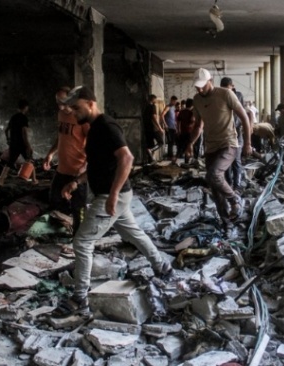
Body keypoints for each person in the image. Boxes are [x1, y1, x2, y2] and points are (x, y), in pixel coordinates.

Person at [52, 86, 172, 318]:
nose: (73, 114)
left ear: (90, 103)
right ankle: (162, 266)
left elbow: (127, 158)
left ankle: (80, 300)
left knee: (82, 242)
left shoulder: (107, 126)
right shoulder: (94, 128)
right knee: (133, 233)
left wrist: (114, 194)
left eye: (76, 108)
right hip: (113, 195)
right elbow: (98, 165)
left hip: (110, 196)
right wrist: (77, 182)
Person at [187, 68, 251, 230]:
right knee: (214, 187)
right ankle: (226, 222)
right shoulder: (197, 100)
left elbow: (244, 117)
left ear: (211, 81)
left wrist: (248, 143)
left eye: (202, 86)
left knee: (214, 174)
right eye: (197, 87)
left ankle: (234, 199)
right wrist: (190, 143)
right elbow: (199, 125)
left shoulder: (225, 94)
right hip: (211, 147)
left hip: (228, 143)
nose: (200, 89)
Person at [43, 87, 90, 235]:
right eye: (58, 103)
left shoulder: (82, 118)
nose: (61, 107)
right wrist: (51, 154)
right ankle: (63, 229)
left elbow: (93, 144)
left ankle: (79, 240)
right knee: (55, 199)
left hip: (78, 171)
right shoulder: (61, 114)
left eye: (63, 102)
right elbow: (61, 136)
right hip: (62, 169)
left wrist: (85, 166)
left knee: (79, 208)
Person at [0, 99, 37, 186]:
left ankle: (1, 181)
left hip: (13, 143)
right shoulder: (23, 118)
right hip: (21, 143)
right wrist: (28, 145)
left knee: (10, 162)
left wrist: (8, 139)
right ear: (26, 107)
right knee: (29, 159)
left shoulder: (13, 117)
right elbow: (24, 132)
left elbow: (6, 130)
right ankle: (34, 180)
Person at [220, 77, 244, 192]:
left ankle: (235, 185)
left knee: (233, 160)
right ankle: (232, 185)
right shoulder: (221, 96)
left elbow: (242, 115)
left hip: (234, 133)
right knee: (231, 161)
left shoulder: (237, 96)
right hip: (228, 134)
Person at [143, 94, 165, 163]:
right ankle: (151, 150)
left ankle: (151, 161)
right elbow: (154, 117)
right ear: (153, 99)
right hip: (154, 128)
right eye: (155, 99)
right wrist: (160, 127)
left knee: (150, 144)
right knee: (161, 142)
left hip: (147, 128)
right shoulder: (153, 106)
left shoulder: (145, 107)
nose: (156, 100)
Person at [175, 98, 195, 164]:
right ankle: (187, 162)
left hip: (182, 132)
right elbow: (193, 121)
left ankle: (175, 160)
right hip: (190, 132)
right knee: (188, 147)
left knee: (180, 148)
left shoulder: (181, 112)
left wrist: (178, 130)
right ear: (192, 105)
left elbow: (178, 122)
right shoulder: (192, 112)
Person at [160, 95, 178, 163]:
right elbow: (162, 115)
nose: (175, 103)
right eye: (174, 101)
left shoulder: (173, 108)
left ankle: (170, 155)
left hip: (173, 127)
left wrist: (176, 127)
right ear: (171, 100)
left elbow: (173, 119)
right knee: (170, 141)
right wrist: (165, 124)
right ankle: (170, 156)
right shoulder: (168, 107)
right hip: (169, 127)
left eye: (175, 102)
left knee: (172, 142)